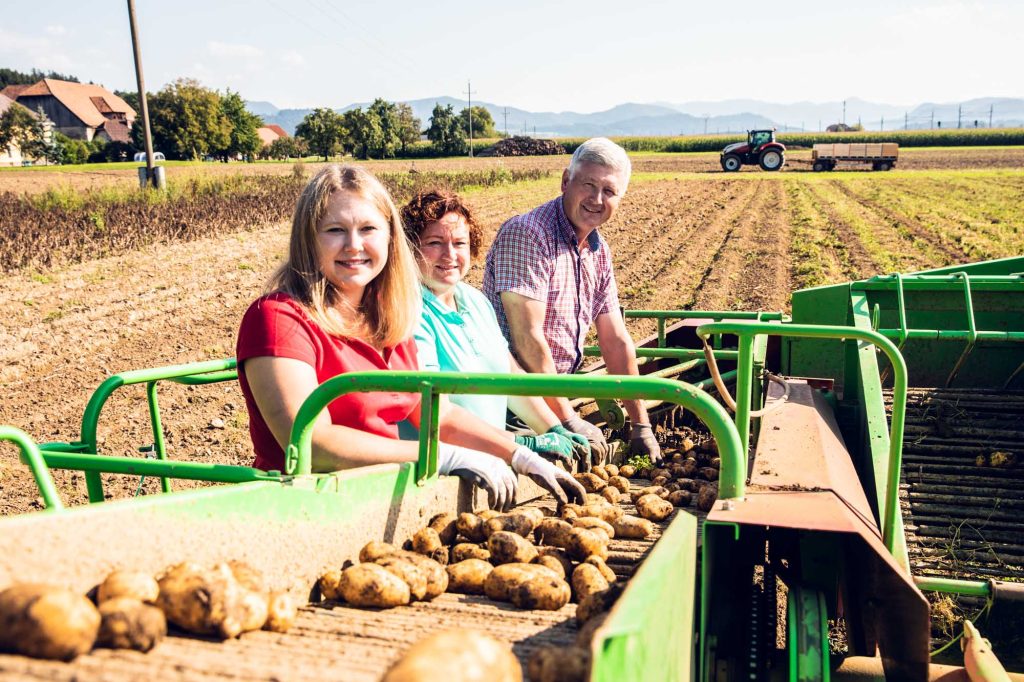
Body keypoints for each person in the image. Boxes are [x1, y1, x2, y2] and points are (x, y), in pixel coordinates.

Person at [235, 164, 585, 509]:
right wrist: (442, 456)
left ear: (390, 238)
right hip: (305, 509)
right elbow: (314, 442)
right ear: (308, 239)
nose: (354, 245)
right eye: (335, 230)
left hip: (382, 502)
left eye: (368, 228)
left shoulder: (389, 315)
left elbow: (439, 416)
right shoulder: (280, 318)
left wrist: (518, 453)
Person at [483, 137, 662, 463]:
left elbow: (616, 341)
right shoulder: (528, 234)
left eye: (609, 191)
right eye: (588, 185)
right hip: (512, 409)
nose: (597, 199)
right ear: (566, 181)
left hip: (552, 401)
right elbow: (527, 339)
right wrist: (566, 420)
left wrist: (641, 424)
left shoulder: (598, 251)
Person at [400, 189, 591, 469]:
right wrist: (521, 445)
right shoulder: (408, 309)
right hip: (438, 466)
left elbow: (509, 374)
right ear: (411, 247)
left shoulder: (475, 300)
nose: (449, 254)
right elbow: (433, 413)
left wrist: (554, 428)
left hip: (491, 458)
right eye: (434, 242)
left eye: (459, 243)